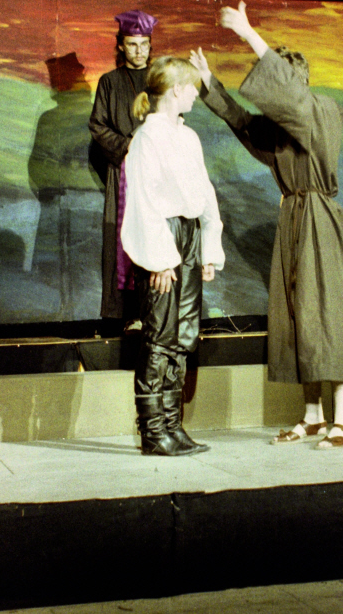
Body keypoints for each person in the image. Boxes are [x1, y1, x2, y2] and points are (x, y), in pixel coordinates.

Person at [190, 1, 343, 449]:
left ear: (296, 84)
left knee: (328, 314)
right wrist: (209, 84)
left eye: (280, 83)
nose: (274, 97)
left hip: (320, 220)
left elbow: (291, 99)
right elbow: (244, 123)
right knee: (298, 315)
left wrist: (248, 33)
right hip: (293, 220)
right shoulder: (283, 134)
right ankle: (313, 416)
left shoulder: (322, 112)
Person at [121, 56, 225, 456]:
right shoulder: (147, 138)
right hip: (165, 235)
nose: (196, 95)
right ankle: (153, 431)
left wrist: (208, 246)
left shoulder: (188, 136)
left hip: (189, 235)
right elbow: (144, 200)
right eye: (193, 88)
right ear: (177, 89)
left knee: (183, 333)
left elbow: (204, 191)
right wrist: (161, 258)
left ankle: (172, 424)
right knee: (160, 334)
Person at [89, 9, 158, 327]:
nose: (139, 51)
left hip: (156, 174)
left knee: (157, 238)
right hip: (125, 172)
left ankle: (155, 312)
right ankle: (128, 315)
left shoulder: (160, 80)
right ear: (121, 46)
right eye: (132, 44)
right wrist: (128, 145)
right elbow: (98, 126)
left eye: (144, 44)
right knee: (124, 242)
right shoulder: (109, 82)